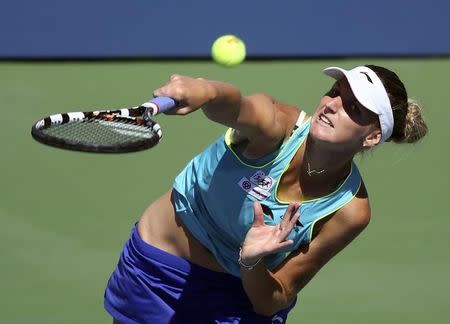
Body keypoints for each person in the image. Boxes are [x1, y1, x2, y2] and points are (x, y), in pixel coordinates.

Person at [104, 65, 428, 324]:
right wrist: (207, 91)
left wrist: (252, 262)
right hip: (159, 272)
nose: (332, 105)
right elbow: (239, 106)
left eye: (353, 107)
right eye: (334, 92)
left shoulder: (350, 211)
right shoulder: (279, 127)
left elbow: (271, 299)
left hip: (236, 300)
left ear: (372, 137)